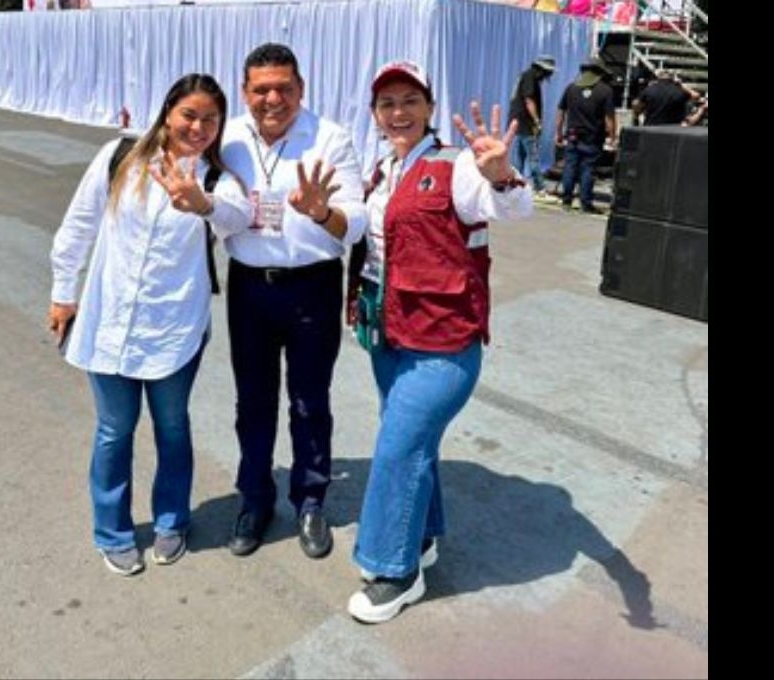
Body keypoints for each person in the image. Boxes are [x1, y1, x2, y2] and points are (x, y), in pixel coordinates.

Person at [344, 60, 533, 624]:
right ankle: (422, 537)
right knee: (413, 443)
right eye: (386, 103)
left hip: (444, 343)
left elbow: (511, 208)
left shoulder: (458, 166)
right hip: (390, 333)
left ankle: (395, 570)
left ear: (428, 106)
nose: (397, 112)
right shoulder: (382, 170)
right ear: (376, 115)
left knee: (398, 449)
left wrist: (501, 174)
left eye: (409, 100)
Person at [48, 74, 253, 577]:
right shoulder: (121, 158)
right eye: (190, 115)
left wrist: (201, 204)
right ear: (167, 113)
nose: (198, 127)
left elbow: (238, 217)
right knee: (114, 431)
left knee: (172, 426)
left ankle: (171, 521)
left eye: (210, 119)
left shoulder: (214, 178)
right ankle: (112, 531)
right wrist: (62, 292)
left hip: (174, 327)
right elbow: (79, 223)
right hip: (109, 319)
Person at [219, 43, 369, 560]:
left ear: (301, 88)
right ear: (245, 92)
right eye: (261, 89)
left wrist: (324, 213)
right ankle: (255, 501)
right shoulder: (230, 138)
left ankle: (309, 501)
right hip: (249, 287)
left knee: (309, 401)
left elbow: (357, 221)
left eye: (284, 87)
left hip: (312, 286)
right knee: (252, 402)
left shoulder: (330, 139)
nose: (273, 98)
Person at [554, 58, 617, 214]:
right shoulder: (605, 90)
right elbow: (610, 118)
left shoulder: (571, 88)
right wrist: (612, 137)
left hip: (573, 135)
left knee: (570, 167)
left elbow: (561, 112)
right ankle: (585, 203)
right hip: (593, 137)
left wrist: (559, 133)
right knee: (587, 169)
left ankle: (566, 201)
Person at [508, 55, 557, 194]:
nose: (549, 76)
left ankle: (516, 184)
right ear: (542, 70)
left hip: (518, 122)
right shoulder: (531, 77)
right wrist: (537, 121)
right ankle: (540, 187)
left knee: (519, 157)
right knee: (533, 157)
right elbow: (529, 100)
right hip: (526, 123)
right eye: (549, 72)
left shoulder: (525, 75)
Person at [632, 69, 699, 126]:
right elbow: (696, 96)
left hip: (651, 127)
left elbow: (636, 104)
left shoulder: (649, 89)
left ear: (658, 77)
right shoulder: (679, 91)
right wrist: (680, 84)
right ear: (672, 78)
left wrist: (636, 116)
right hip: (672, 129)